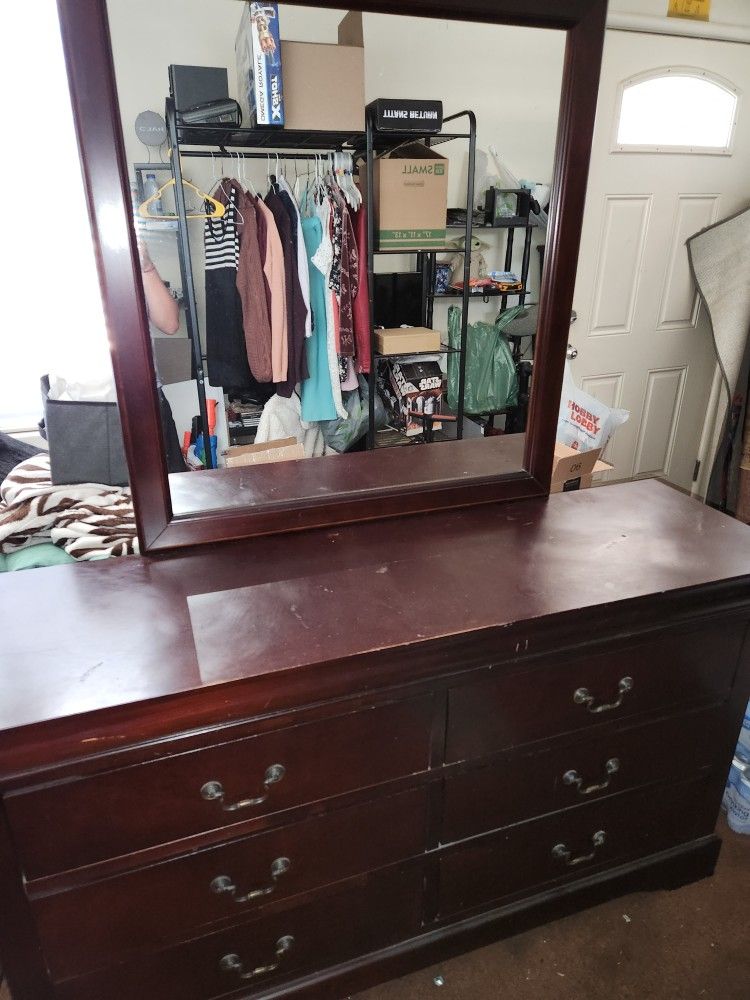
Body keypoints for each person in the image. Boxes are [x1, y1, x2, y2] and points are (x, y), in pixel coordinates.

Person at [138, 240, 186, 473]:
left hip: (146, 398)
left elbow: (169, 323)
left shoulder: (127, 263)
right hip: (83, 401)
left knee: (168, 489)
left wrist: (146, 266)